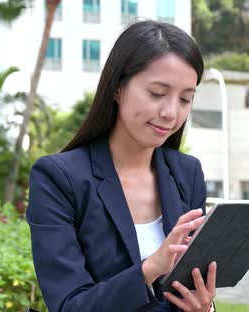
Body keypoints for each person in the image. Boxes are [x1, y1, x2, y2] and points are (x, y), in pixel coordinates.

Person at [26, 20, 216, 312]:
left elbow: (190, 287)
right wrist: (149, 269)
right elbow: (69, 306)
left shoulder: (187, 174)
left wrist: (204, 307)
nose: (170, 113)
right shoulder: (58, 178)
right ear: (117, 88)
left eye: (185, 99)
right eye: (156, 93)